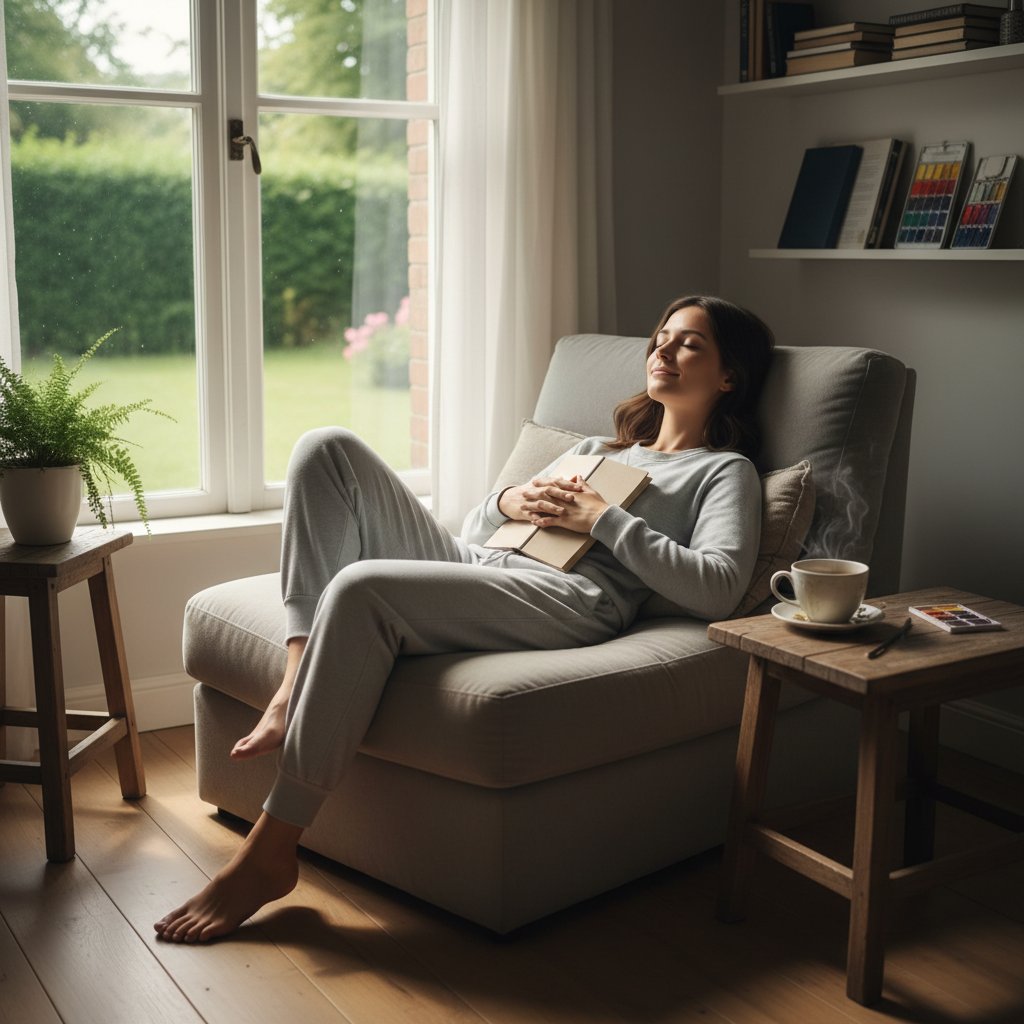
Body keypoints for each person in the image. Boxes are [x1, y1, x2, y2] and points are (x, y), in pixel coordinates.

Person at [154, 294, 775, 943]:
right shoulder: (596, 447)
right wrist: (512, 497)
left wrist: (603, 519)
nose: (663, 351)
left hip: (566, 598)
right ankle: (295, 675)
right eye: (662, 337)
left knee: (362, 587)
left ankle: (271, 850)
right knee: (325, 447)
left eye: (689, 344)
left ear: (728, 376)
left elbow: (718, 588)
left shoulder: (723, 472)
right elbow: (477, 527)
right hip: (482, 560)